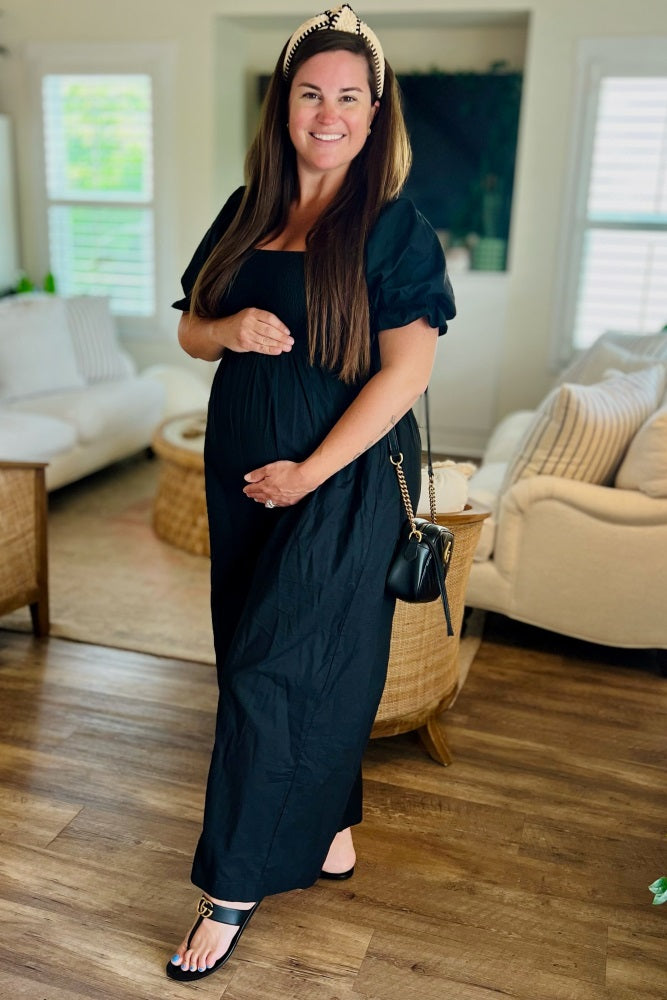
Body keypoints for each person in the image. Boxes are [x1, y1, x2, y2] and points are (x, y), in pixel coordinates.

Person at [167, 4, 455, 983]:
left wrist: (308, 472)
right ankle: (329, 824)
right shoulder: (246, 210)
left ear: (374, 114)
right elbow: (190, 330)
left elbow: (405, 373)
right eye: (309, 93)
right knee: (257, 656)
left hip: (341, 482)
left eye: (348, 97)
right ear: (283, 106)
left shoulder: (393, 228)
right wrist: (229, 329)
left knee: (274, 676)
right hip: (243, 475)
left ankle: (231, 886)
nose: (327, 113)